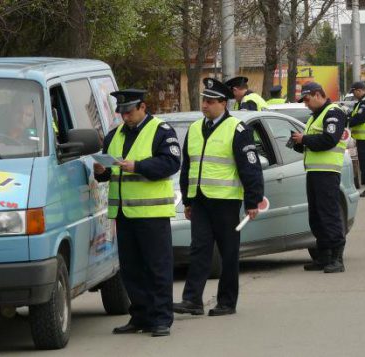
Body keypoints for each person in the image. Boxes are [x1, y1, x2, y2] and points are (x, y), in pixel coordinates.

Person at [93, 89, 180, 337]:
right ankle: (140, 316)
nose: (125, 117)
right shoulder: (114, 136)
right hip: (123, 212)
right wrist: (100, 170)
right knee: (131, 269)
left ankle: (161, 319)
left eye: (129, 112)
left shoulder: (161, 131)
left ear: (143, 107)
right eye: (121, 113)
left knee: (157, 267)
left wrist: (138, 166)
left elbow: (171, 163)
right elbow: (108, 173)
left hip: (151, 212)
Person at [173, 78, 264, 317]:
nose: (205, 105)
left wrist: (253, 201)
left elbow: (250, 167)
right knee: (199, 249)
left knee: (228, 252)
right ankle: (192, 300)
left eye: (210, 101)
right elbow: (188, 167)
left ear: (224, 103)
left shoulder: (237, 129)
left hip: (226, 201)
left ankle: (226, 301)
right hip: (200, 200)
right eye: (204, 100)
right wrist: (188, 200)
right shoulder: (194, 128)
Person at [291, 82, 347, 273]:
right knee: (316, 217)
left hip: (328, 173)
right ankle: (323, 257)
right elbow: (313, 144)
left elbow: (329, 140)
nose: (305, 104)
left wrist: (305, 139)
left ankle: (337, 259)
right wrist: (298, 143)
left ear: (317, 95)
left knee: (329, 215)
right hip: (314, 172)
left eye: (307, 100)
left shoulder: (333, 113)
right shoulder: (314, 117)